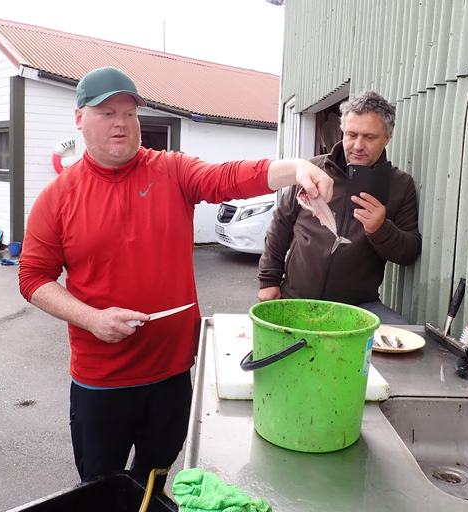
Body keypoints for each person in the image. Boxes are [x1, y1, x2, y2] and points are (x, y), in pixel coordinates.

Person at [17, 66, 333, 492]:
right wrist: (91, 318)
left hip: (171, 374)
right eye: (107, 112)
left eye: (129, 114)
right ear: (79, 119)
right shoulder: (57, 197)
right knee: (100, 488)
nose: (121, 123)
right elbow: (33, 277)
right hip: (100, 380)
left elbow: (229, 177)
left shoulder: (171, 171)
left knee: (154, 479)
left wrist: (295, 167)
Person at [258, 90, 422, 324]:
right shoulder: (311, 170)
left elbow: (409, 251)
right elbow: (280, 225)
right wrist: (268, 281)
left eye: (370, 137)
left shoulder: (399, 185)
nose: (358, 145)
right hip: (296, 299)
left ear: (387, 137)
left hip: (358, 309)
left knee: (403, 335)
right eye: (351, 134)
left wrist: (380, 229)